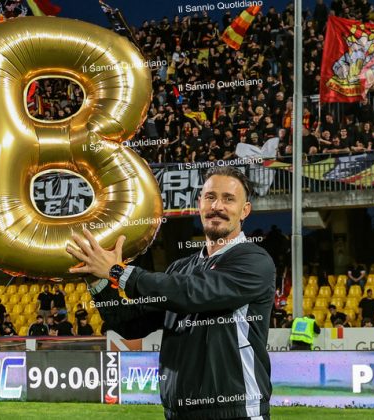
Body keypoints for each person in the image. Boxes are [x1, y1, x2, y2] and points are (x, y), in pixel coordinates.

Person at [66, 166, 275, 420]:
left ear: (245, 211)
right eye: (210, 197)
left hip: (237, 412)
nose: (217, 206)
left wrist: (118, 272)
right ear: (199, 204)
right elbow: (130, 323)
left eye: (228, 199)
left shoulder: (254, 261)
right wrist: (96, 279)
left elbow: (193, 293)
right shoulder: (180, 268)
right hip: (178, 413)